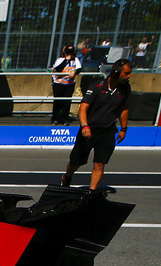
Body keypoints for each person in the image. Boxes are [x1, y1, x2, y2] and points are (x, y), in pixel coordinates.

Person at [61, 59, 132, 190]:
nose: (129, 76)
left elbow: (124, 108)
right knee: (76, 161)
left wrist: (124, 129)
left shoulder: (125, 89)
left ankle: (91, 192)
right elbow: (82, 109)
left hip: (107, 131)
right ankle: (67, 176)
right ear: (116, 73)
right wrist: (85, 126)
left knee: (99, 164)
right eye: (126, 73)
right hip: (89, 129)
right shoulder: (97, 87)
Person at [50, 45, 81, 125]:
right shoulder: (60, 60)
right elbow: (57, 69)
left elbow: (79, 69)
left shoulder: (75, 60)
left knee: (67, 102)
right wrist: (66, 60)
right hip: (59, 83)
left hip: (69, 84)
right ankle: (55, 118)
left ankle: (64, 118)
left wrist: (74, 72)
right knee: (58, 102)